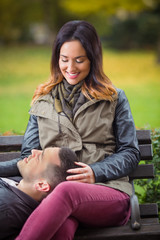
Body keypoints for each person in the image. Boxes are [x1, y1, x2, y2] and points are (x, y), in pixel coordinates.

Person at [0, 20, 140, 240]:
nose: (71, 68)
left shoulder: (113, 98)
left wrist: (96, 172)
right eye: (64, 60)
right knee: (61, 227)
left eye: (79, 60)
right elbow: (29, 156)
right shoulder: (42, 100)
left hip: (108, 191)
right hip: (55, 198)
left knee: (65, 192)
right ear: (57, 59)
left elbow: (130, 153)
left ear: (93, 59)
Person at [0, 147, 78, 240]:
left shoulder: (6, 210)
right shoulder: (18, 185)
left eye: (40, 157)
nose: (33, 151)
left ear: (41, 185)